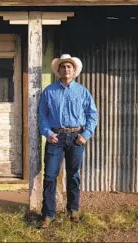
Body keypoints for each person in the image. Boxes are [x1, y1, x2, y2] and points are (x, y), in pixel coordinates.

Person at [38, 53, 98, 228]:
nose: (66, 69)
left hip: (76, 138)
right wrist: (48, 133)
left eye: (69, 67)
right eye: (63, 67)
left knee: (73, 175)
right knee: (49, 176)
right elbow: (42, 115)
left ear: (74, 70)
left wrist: (85, 135)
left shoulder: (82, 92)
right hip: (55, 138)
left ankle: (73, 209)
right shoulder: (49, 91)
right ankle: (48, 214)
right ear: (58, 70)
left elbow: (92, 115)